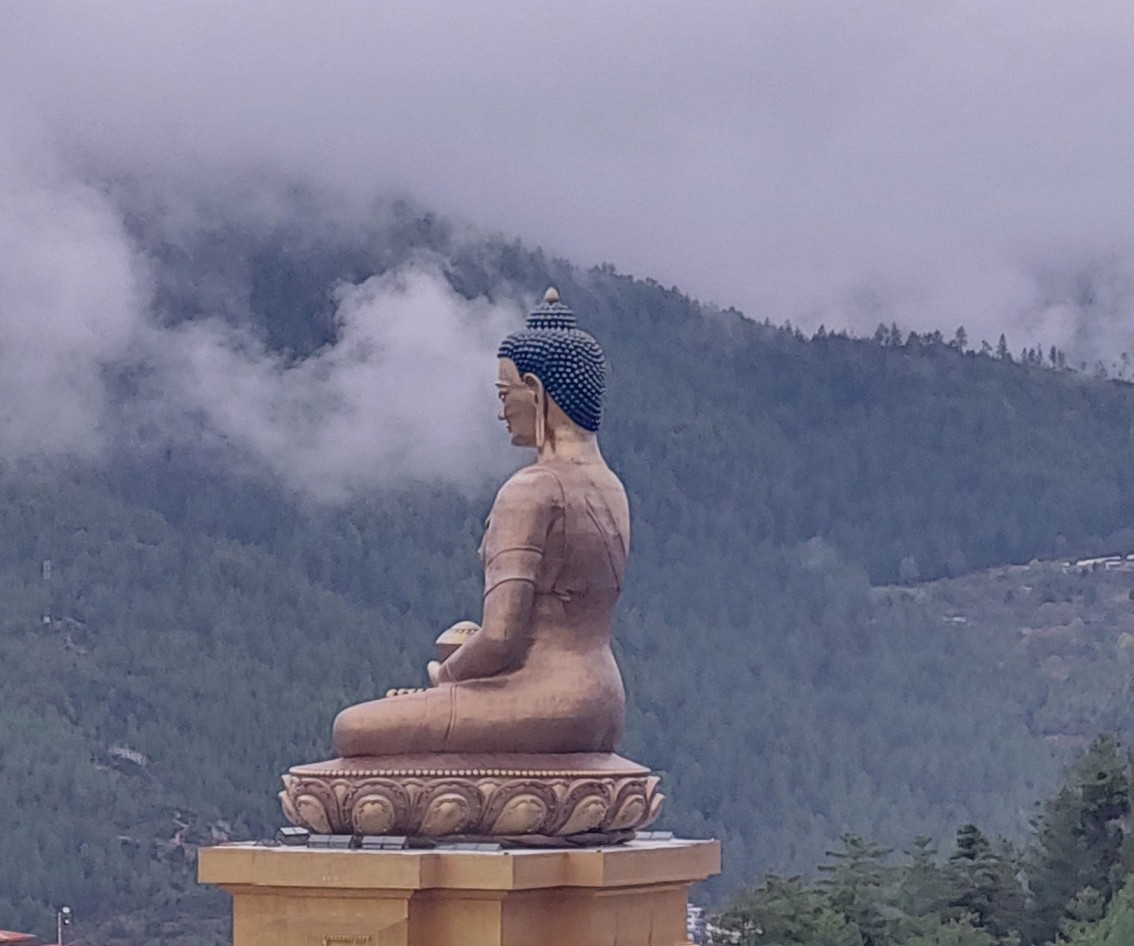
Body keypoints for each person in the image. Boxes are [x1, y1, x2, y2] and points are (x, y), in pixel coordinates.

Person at [332, 288, 630, 756]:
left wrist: (442, 680)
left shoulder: (532, 489)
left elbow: (500, 641)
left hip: (540, 699)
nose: (500, 411)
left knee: (351, 730)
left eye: (505, 395)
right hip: (603, 703)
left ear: (535, 391)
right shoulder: (611, 487)